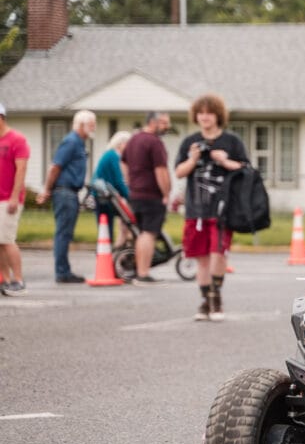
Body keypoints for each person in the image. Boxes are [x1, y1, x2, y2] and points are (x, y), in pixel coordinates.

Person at [174, 94, 248, 321]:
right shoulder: (190, 142)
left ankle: (217, 299)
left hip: (224, 210)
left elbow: (246, 169)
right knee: (202, 258)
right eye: (201, 112)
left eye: (209, 112)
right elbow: (178, 172)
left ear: (218, 115)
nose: (205, 117)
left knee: (219, 254)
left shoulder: (232, 141)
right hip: (196, 210)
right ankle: (205, 301)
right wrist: (193, 159)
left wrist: (225, 161)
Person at [37, 109, 96, 283]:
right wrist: (46, 189)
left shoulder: (79, 143)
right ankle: (62, 272)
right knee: (63, 233)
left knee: (66, 233)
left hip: (71, 191)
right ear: (80, 125)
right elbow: (55, 167)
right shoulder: (71, 142)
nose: (94, 128)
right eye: (91, 124)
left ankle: (64, 270)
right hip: (64, 192)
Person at [121, 112, 171, 284]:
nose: (166, 126)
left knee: (141, 234)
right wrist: (166, 193)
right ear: (153, 122)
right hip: (151, 195)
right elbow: (161, 171)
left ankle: (138, 270)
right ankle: (143, 272)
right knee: (149, 234)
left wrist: (129, 182)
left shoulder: (134, 139)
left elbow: (123, 161)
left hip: (135, 195)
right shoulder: (154, 142)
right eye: (164, 123)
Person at [0, 103, 30, 296]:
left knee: (7, 239)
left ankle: (19, 280)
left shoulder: (17, 140)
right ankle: (6, 279)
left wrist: (13, 197)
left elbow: (21, 169)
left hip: (8, 200)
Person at [91, 130, 133, 248]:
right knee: (106, 228)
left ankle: (117, 248)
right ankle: (108, 253)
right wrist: (130, 197)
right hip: (103, 197)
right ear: (121, 144)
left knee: (116, 224)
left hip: (104, 195)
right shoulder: (113, 155)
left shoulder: (111, 155)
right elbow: (118, 181)